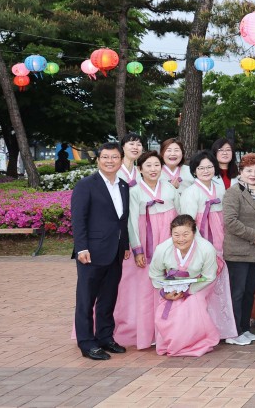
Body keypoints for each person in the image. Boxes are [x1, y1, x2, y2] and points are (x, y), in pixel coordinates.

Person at [113, 150, 178, 350]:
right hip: (146, 241)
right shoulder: (134, 191)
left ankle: (166, 331)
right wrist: (137, 249)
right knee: (145, 289)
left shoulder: (169, 188)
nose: (153, 169)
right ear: (140, 169)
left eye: (156, 165)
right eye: (148, 165)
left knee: (167, 284)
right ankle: (145, 332)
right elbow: (131, 222)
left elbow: (180, 214)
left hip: (167, 240)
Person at [72, 142, 131, 360]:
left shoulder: (124, 186)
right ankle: (86, 342)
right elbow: (79, 220)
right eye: (105, 157)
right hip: (91, 253)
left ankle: (105, 337)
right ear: (98, 160)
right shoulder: (86, 185)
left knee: (108, 298)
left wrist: (124, 245)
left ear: (120, 159)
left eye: (114, 157)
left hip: (115, 252)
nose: (110, 161)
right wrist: (81, 248)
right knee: (86, 300)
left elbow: (121, 221)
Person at [178, 151, 239, 343]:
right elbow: (188, 224)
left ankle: (224, 330)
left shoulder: (221, 188)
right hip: (202, 242)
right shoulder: (190, 193)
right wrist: (199, 248)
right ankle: (202, 331)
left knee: (222, 287)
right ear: (194, 171)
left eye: (209, 167)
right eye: (201, 168)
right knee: (204, 285)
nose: (206, 171)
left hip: (223, 240)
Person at [148, 214, 219, 357]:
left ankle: (193, 343)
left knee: (190, 306)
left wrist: (188, 291)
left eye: (186, 234)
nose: (181, 239)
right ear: (171, 234)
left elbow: (209, 276)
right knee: (165, 313)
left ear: (194, 232)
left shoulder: (206, 248)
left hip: (199, 284)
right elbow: (155, 274)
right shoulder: (162, 249)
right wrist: (165, 292)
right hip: (171, 286)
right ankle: (171, 343)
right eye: (176, 235)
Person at [222, 152, 255, 345]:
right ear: (241, 172)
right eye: (248, 170)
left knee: (249, 291)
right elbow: (230, 221)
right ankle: (233, 332)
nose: (253, 174)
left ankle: (244, 328)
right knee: (237, 293)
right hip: (238, 251)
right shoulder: (233, 192)